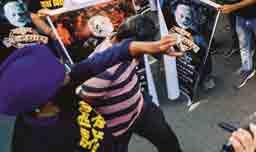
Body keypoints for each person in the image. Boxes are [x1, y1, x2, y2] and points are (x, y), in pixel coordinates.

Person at [0, 36, 180, 152]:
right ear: (45, 101)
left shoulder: (61, 90)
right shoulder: (33, 144)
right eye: (60, 74)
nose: (67, 73)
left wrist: (137, 46)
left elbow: (93, 65)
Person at [79, 15, 183, 152]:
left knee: (168, 142)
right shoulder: (104, 68)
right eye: (146, 45)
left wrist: (160, 49)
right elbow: (83, 96)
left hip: (141, 108)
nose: (148, 48)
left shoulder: (120, 40)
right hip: (116, 128)